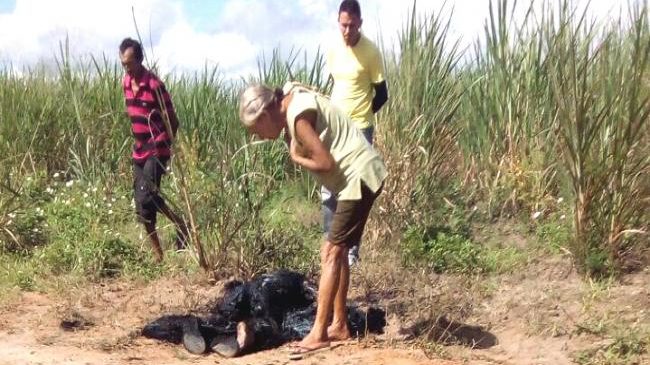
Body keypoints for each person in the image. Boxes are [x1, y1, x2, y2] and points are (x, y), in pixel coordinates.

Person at [238, 82, 386, 353]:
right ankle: (339, 324)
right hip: (355, 178)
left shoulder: (297, 117)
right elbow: (295, 86)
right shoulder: (291, 97)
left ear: (266, 115)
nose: (259, 135)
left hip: (359, 177)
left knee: (331, 252)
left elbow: (325, 163)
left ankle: (319, 332)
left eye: (256, 129)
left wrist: (296, 157)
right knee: (333, 251)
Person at [325, 0, 388, 266]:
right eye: (343, 25)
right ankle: (329, 243)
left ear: (360, 23)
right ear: (338, 23)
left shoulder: (371, 52)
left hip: (360, 128)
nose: (347, 31)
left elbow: (382, 94)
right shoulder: (332, 49)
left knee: (356, 191)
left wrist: (364, 116)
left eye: (351, 25)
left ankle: (351, 251)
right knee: (329, 190)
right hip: (335, 128)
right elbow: (335, 85)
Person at [119, 37, 187, 262]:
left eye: (130, 63)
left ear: (140, 60)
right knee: (143, 201)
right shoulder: (126, 83)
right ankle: (168, 241)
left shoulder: (155, 86)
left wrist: (165, 146)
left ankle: (166, 247)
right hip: (139, 150)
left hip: (157, 149)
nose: (127, 68)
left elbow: (173, 120)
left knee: (147, 197)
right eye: (123, 64)